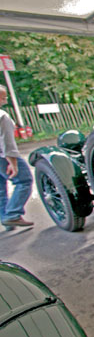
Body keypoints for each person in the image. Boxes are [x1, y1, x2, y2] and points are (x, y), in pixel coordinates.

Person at [0, 85, 33, 229]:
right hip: (3, 156)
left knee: (1, 189)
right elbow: (7, 140)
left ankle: (6, 218)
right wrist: (12, 161)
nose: (5, 100)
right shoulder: (3, 116)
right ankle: (13, 214)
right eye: (3, 97)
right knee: (24, 181)